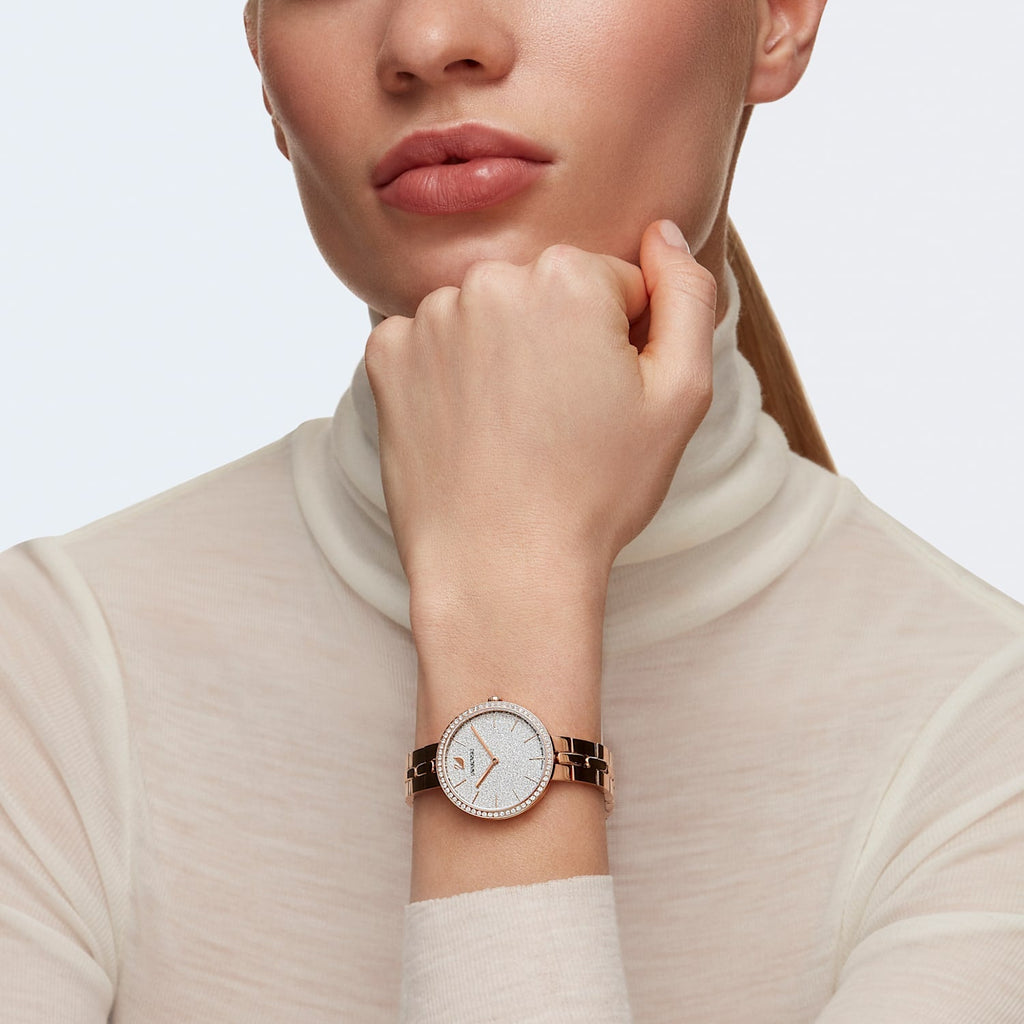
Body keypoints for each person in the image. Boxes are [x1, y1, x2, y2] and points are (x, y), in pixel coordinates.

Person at [1, 1, 1022, 1022]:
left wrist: (510, 608)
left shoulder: (990, 748)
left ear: (778, 18)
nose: (426, 39)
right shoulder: (44, 675)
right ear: (261, 64)